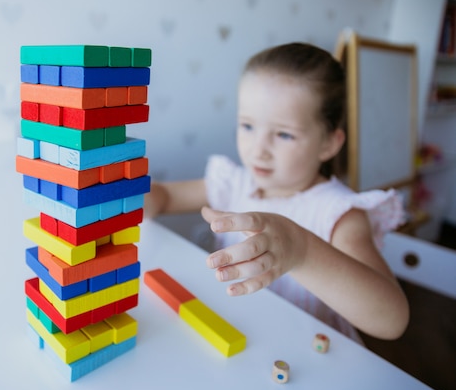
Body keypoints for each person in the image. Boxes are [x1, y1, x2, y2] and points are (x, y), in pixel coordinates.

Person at [144, 42, 409, 341]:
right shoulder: (235, 183)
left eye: (283, 134)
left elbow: (392, 321)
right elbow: (164, 197)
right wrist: (136, 197)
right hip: (239, 334)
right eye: (247, 126)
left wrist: (303, 251)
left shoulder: (339, 213)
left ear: (329, 144)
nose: (259, 150)